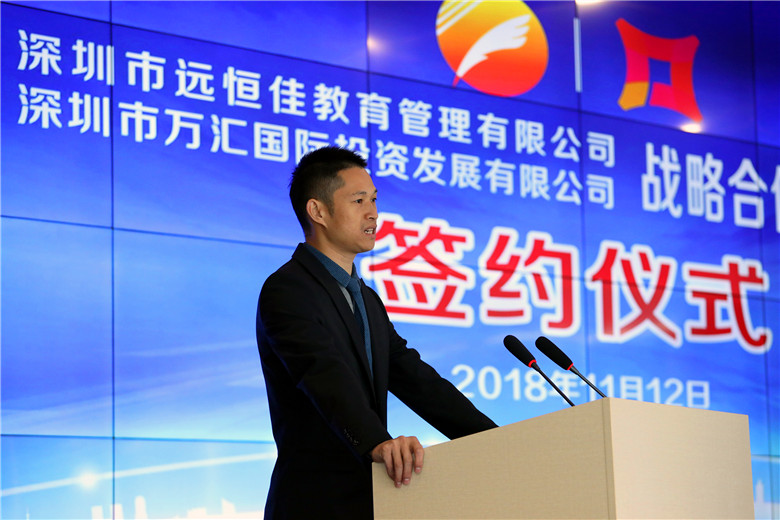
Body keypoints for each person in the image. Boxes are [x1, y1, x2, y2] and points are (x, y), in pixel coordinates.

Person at [256, 146, 497, 519]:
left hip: (371, 502)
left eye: (373, 200)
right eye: (358, 201)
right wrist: (376, 442)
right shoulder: (287, 290)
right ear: (317, 211)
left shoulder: (366, 298)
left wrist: (495, 439)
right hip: (314, 502)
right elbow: (322, 374)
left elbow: (415, 379)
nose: (373, 213)